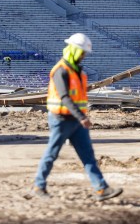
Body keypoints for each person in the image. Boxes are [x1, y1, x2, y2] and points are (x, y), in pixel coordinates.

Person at [29, 33, 123, 202]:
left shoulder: (78, 72)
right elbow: (65, 97)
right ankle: (38, 186)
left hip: (76, 121)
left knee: (88, 155)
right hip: (61, 120)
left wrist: (81, 117)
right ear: (73, 50)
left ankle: (101, 189)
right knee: (52, 153)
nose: (83, 56)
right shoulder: (61, 71)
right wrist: (82, 117)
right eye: (81, 52)